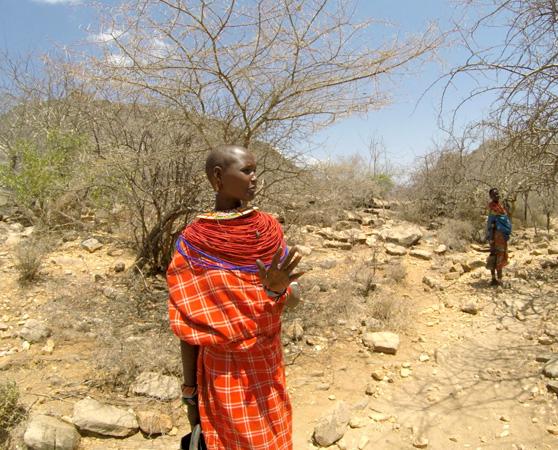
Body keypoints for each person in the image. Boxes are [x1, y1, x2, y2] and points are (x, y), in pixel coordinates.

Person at [167, 144, 303, 450]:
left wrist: (278, 290)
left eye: (256, 170)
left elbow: (293, 298)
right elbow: (188, 325)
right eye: (247, 170)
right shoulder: (195, 243)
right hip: (222, 370)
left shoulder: (268, 230)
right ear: (218, 176)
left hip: (267, 363)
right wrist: (190, 390)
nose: (255, 178)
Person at [486, 187, 512, 286]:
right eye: (494, 194)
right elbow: (490, 224)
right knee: (494, 256)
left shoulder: (500, 206)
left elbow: (505, 218)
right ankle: (494, 279)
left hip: (502, 236)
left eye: (498, 194)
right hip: (495, 236)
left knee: (500, 256)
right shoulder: (492, 207)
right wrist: (491, 239)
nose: (497, 195)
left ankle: (499, 279)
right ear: (491, 196)